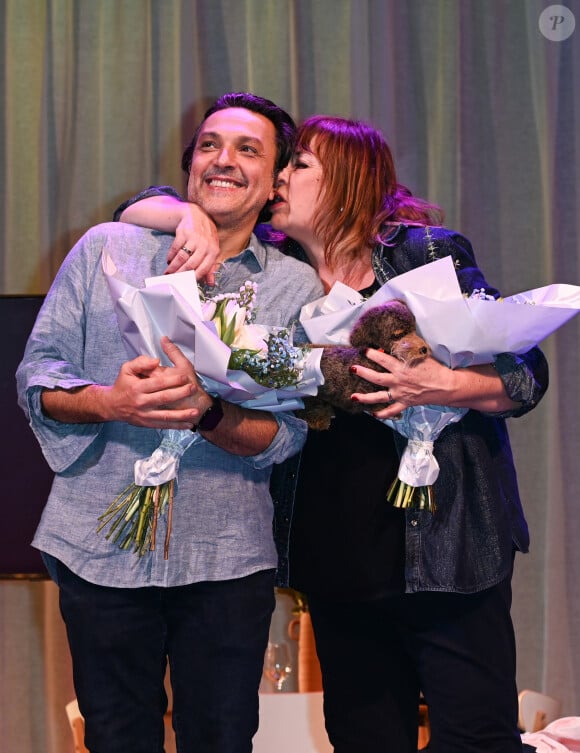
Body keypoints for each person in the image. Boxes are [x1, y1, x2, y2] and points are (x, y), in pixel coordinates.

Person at [115, 115, 548, 753]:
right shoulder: (270, 271)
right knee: (364, 737)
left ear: (347, 179)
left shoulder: (425, 252)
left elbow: (523, 374)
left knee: (476, 736)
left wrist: (439, 385)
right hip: (337, 554)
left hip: (451, 548)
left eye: (299, 166)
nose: (280, 178)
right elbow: (130, 209)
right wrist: (190, 218)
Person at [16, 92, 325, 753]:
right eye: (210, 145)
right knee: (117, 736)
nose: (224, 160)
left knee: (219, 737)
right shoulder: (109, 248)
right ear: (190, 166)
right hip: (95, 547)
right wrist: (107, 401)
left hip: (226, 554)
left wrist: (210, 414)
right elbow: (36, 377)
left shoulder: (294, 290)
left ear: (274, 183)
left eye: (249, 150)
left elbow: (290, 435)